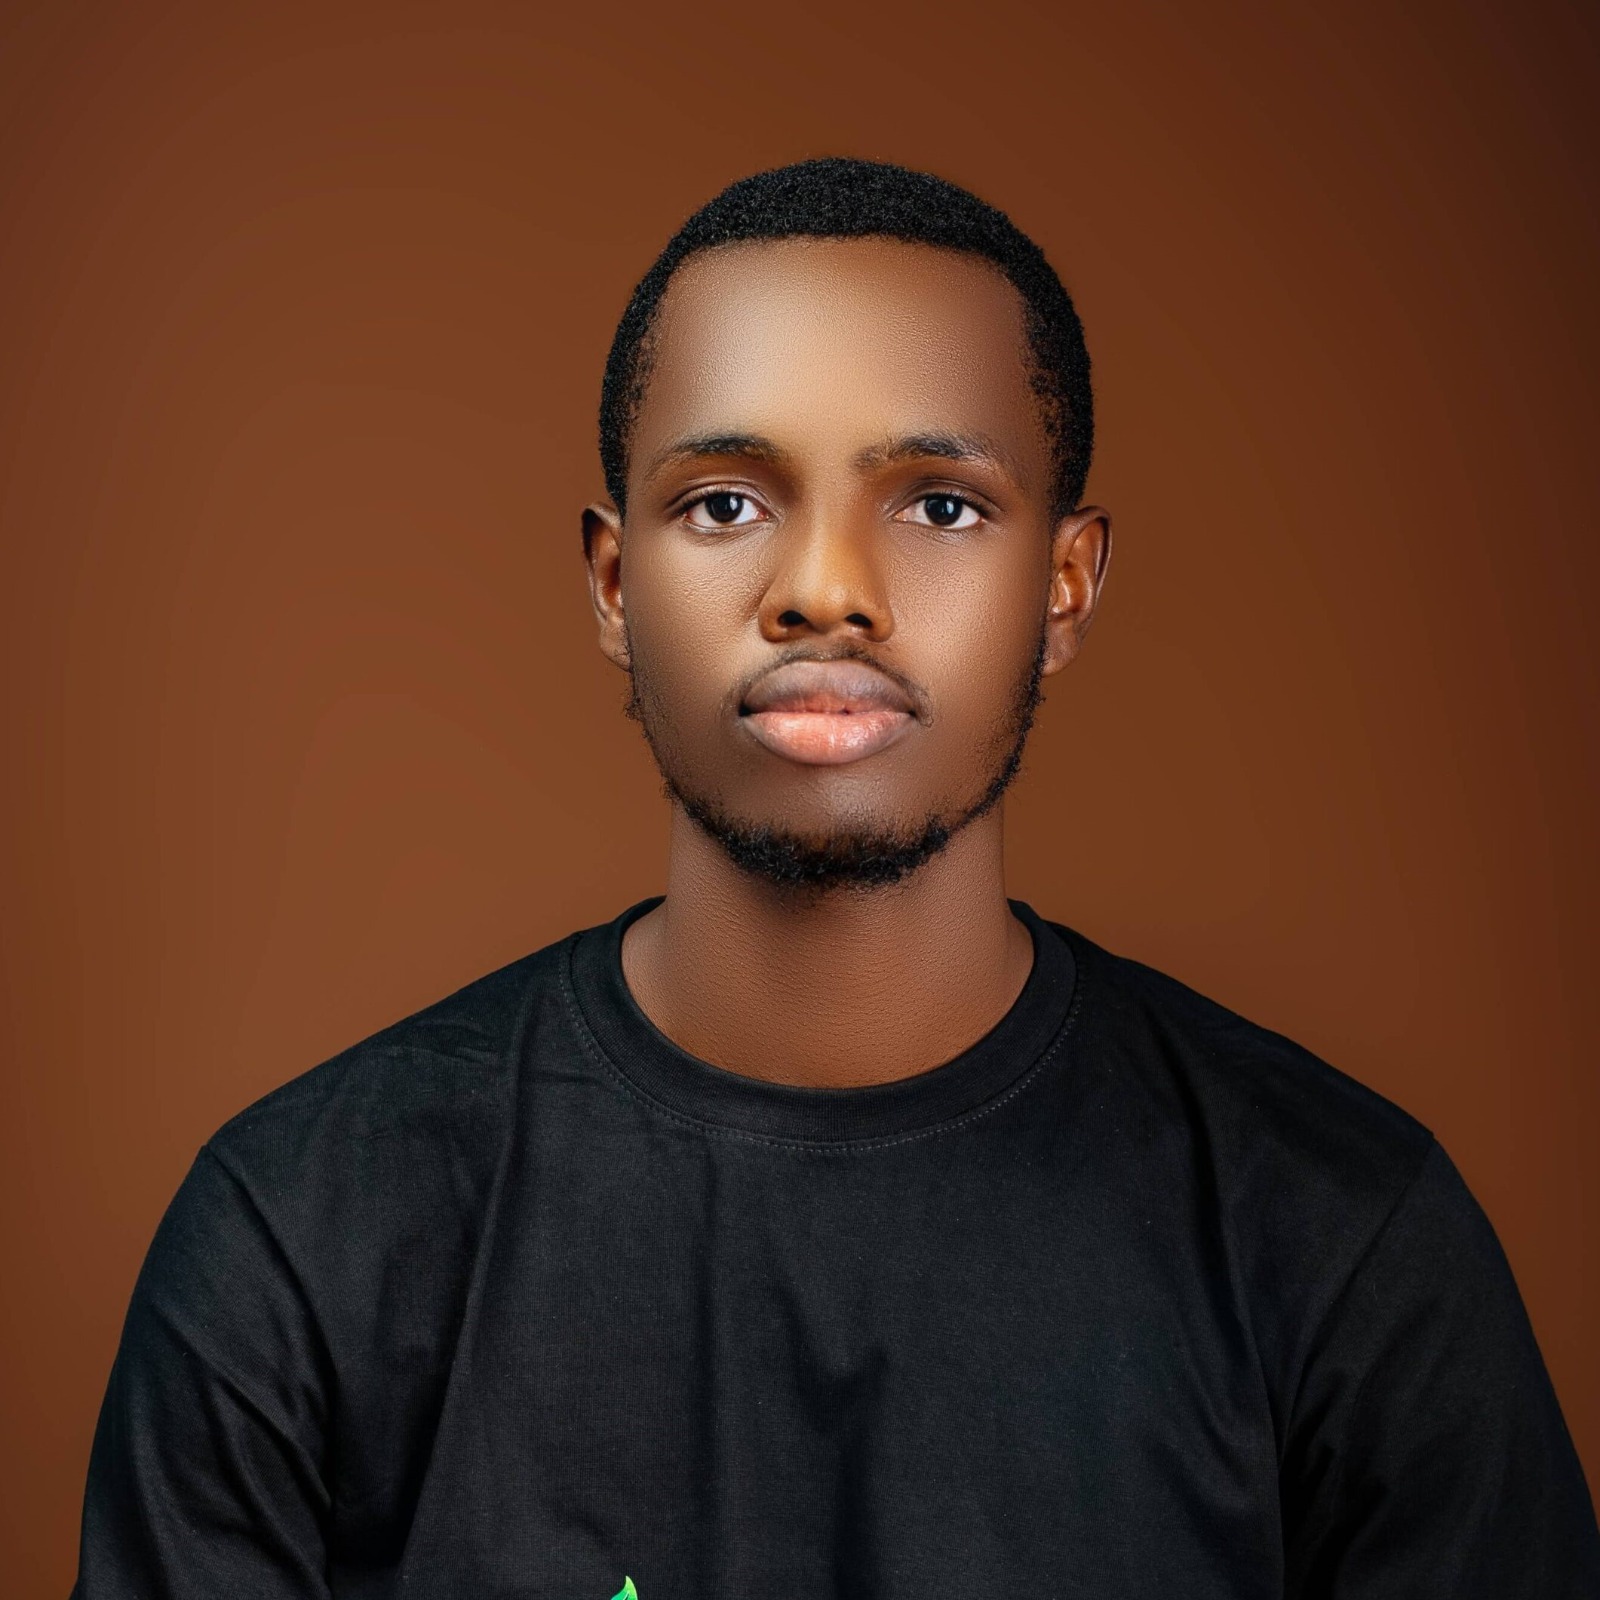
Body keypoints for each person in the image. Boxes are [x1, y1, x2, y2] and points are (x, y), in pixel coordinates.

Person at [72, 158, 1598, 1598]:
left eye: (938, 504)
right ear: (616, 583)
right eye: (725, 502)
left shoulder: (1347, 1249)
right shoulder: (302, 1239)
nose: (824, 591)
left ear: (1062, 588)